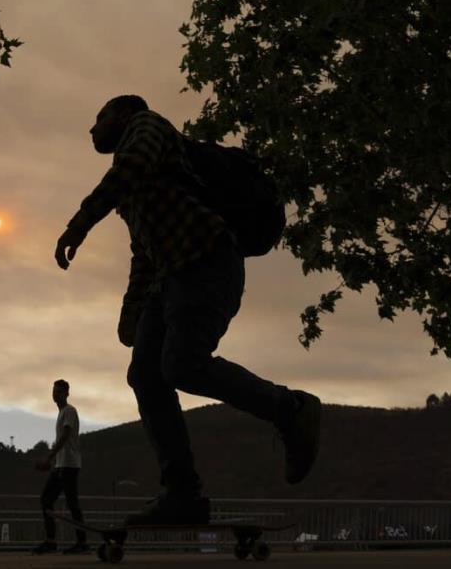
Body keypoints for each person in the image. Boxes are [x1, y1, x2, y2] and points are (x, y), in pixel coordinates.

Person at [53, 95, 322, 526]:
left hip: (208, 261)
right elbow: (144, 254)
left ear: (123, 113)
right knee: (144, 374)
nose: (92, 129)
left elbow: (131, 167)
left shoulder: (147, 128)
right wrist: (131, 314)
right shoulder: (136, 192)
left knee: (182, 365)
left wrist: (80, 223)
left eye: (99, 117)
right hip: (172, 278)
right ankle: (183, 494)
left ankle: (290, 409)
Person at [31, 379, 88, 555]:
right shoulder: (62, 412)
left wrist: (49, 458)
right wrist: (53, 463)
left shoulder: (70, 411)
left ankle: (82, 543)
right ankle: (51, 541)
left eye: (59, 392)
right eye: (54, 391)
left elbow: (65, 436)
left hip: (69, 465)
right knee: (46, 499)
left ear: (66, 394)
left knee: (72, 503)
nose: (56, 394)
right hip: (60, 465)